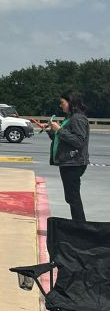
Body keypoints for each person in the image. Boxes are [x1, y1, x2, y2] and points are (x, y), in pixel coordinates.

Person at [47, 91, 91, 222]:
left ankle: (80, 226)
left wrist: (59, 130)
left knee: (73, 196)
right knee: (71, 196)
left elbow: (78, 141)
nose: (61, 106)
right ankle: (79, 225)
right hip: (68, 162)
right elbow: (63, 139)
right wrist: (52, 131)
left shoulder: (78, 118)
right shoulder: (70, 118)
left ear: (71, 102)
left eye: (63, 103)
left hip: (74, 162)